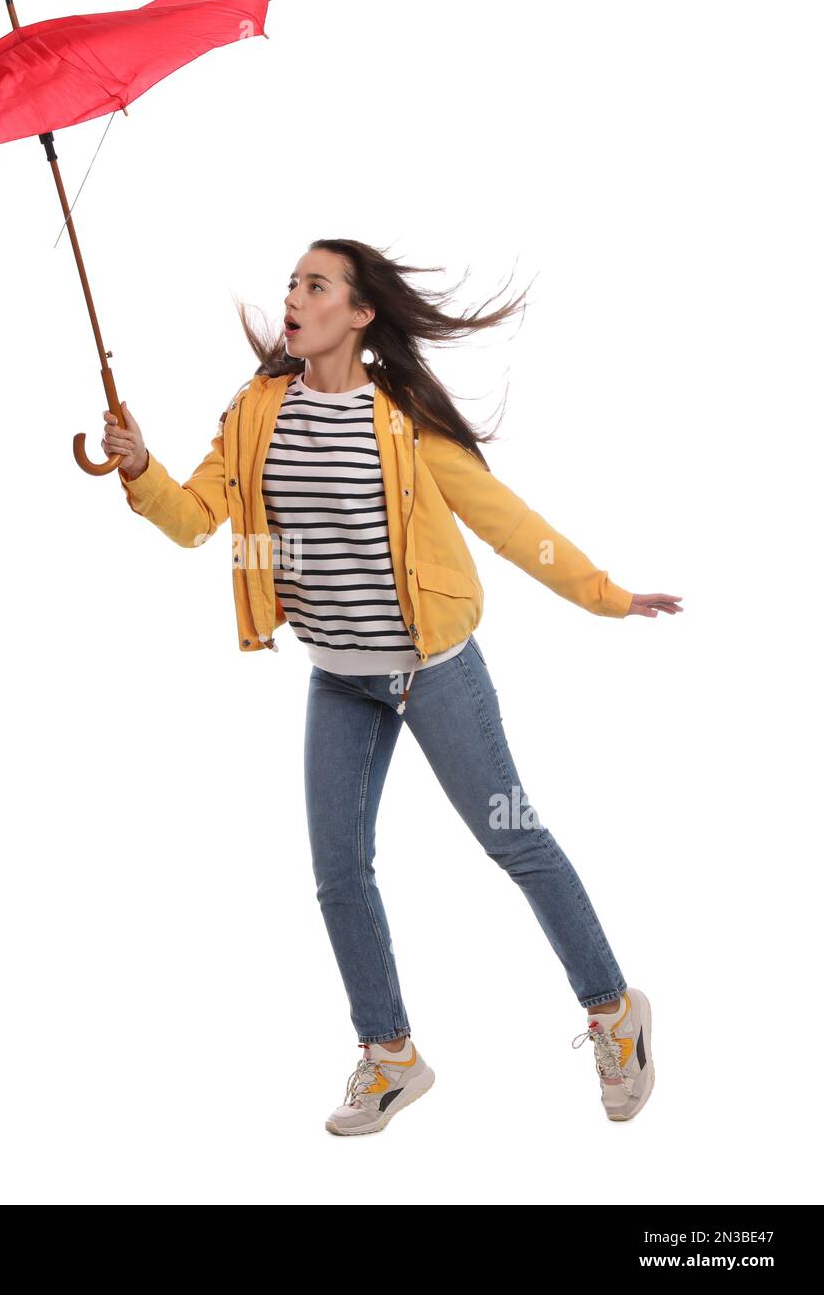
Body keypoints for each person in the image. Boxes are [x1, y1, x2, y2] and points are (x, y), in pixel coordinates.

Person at [105, 238, 680, 1136]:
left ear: (360, 313)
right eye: (291, 283)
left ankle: (613, 1012)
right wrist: (141, 470)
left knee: (515, 841)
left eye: (315, 285)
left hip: (432, 674)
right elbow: (196, 521)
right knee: (339, 875)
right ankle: (390, 1056)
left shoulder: (402, 419)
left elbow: (506, 522)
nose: (293, 297)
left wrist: (606, 597)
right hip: (336, 681)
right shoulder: (256, 412)